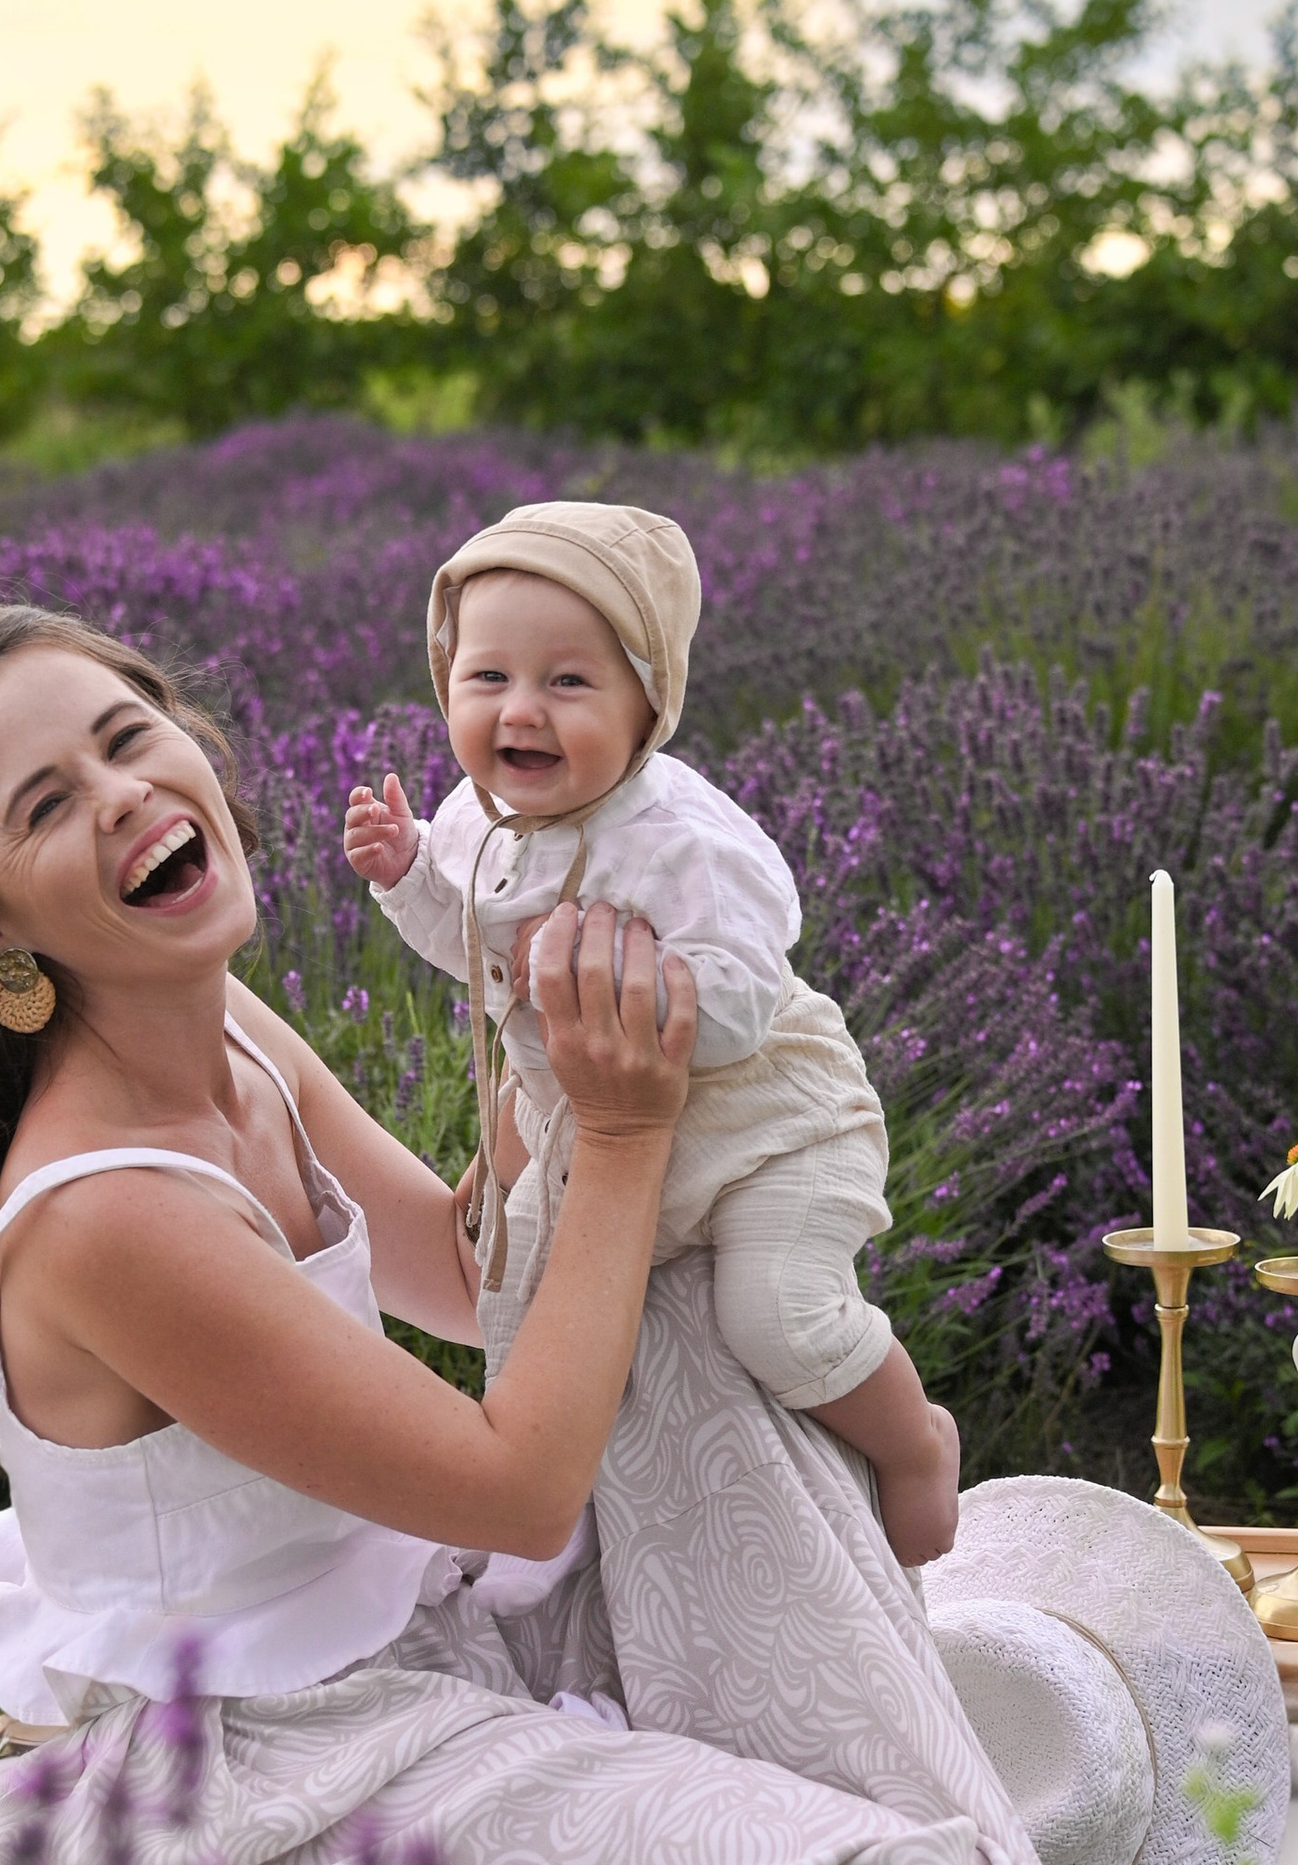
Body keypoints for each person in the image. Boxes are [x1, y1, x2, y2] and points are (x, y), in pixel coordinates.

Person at [0, 596, 1081, 1865]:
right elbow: (520, 1485)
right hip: (266, 1793)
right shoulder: (108, 1213)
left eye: (129, 741)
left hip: (426, 1649)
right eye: (46, 806)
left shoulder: (226, 1028)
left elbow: (460, 1277)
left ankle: (744, 1808)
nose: (123, 796)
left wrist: (543, 1063)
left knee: (704, 1355)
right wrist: (628, 1133)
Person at [346, 500, 959, 1566]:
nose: (519, 709)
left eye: (568, 681)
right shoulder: (473, 821)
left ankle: (914, 1444)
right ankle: (591, 1545)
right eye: (487, 677)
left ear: (647, 707)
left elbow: (738, 1008)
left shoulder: (682, 842)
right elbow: (476, 948)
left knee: (775, 1314)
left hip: (763, 1126)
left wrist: (609, 979)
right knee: (544, 1329)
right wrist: (407, 878)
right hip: (597, 1126)